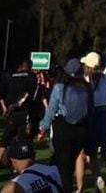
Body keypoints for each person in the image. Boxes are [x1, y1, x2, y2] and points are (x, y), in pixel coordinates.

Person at [38, 59, 92, 193]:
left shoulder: (59, 88)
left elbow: (51, 111)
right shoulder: (87, 88)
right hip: (81, 130)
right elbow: (91, 111)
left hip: (63, 128)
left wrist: (43, 128)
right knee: (71, 165)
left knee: (64, 171)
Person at [78, 52, 106, 192]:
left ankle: (81, 187)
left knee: (82, 153)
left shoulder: (84, 79)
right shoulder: (105, 78)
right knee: (93, 151)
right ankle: (97, 176)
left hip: (89, 113)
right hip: (102, 113)